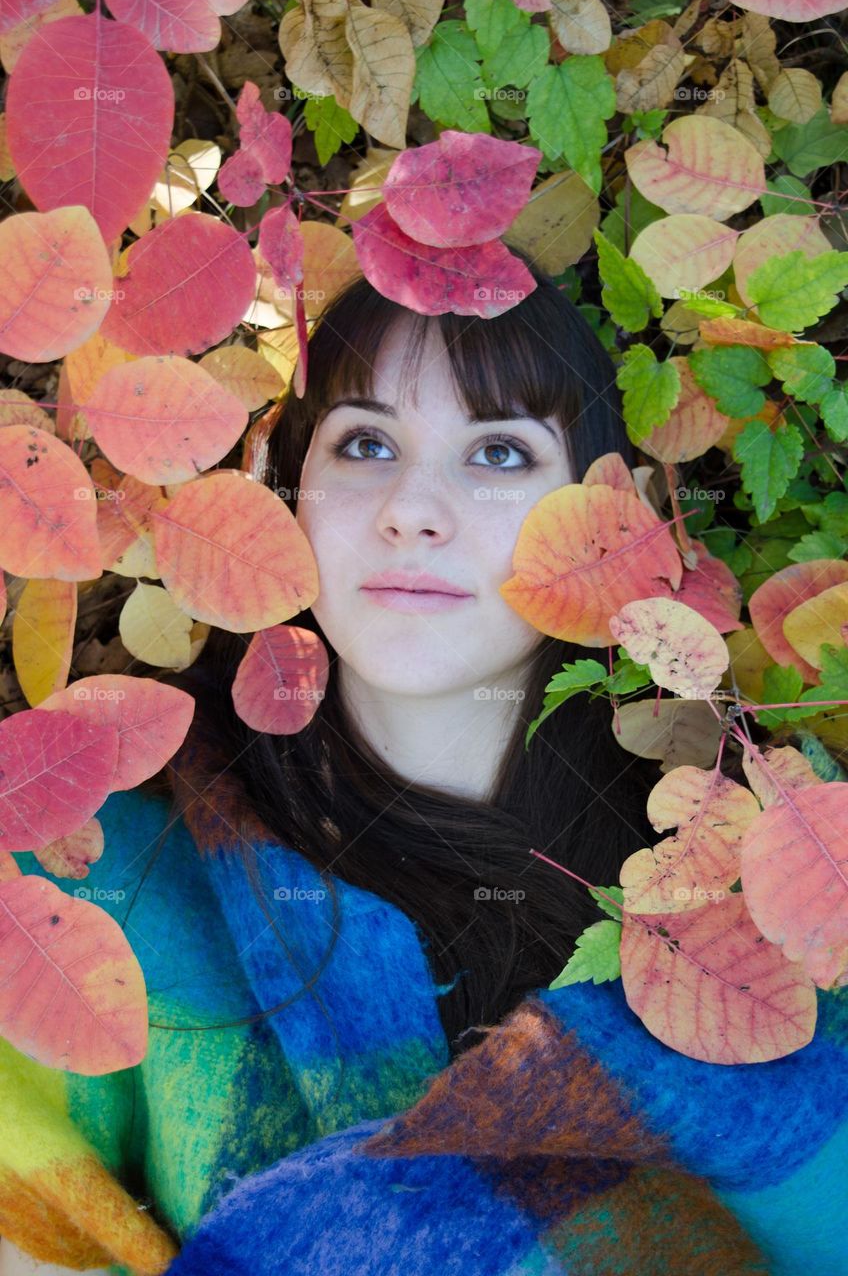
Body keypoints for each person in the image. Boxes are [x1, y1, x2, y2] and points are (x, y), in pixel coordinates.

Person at [3, 253, 846, 1276]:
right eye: (364, 442)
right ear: (288, 494)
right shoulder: (99, 892)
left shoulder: (779, 871)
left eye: (496, 453)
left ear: (604, 524)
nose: (411, 507)